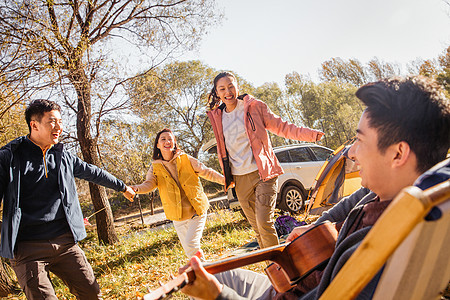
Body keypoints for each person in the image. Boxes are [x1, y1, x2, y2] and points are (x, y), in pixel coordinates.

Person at [180, 75, 450, 300]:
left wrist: (217, 296)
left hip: (286, 293)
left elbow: (280, 126)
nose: (351, 153)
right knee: (219, 269)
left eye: (359, 141)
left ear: (398, 154)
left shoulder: (374, 248)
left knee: (215, 278)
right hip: (295, 275)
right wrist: (312, 229)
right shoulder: (411, 198)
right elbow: (348, 203)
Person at [0, 99, 135, 299]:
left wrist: (122, 187)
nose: (59, 127)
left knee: (92, 294)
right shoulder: (9, 157)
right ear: (34, 125)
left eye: (60, 121)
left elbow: (93, 172)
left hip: (65, 243)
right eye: (52, 121)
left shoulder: (62, 156)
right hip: (28, 249)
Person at [207, 72, 324, 248]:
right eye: (222, 88)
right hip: (239, 180)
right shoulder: (217, 117)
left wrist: (311, 135)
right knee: (257, 229)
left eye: (231, 86)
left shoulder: (254, 107)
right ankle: (273, 268)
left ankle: (281, 267)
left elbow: (283, 127)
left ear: (238, 86)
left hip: (264, 173)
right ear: (217, 92)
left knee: (264, 223)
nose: (228, 91)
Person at [131, 128, 225, 258]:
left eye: (170, 139)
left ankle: (204, 272)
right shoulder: (155, 167)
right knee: (190, 251)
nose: (167, 141)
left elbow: (206, 171)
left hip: (196, 210)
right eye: (163, 139)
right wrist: (136, 188)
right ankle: (205, 271)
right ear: (157, 145)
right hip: (178, 216)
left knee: (191, 244)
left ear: (174, 142)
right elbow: (149, 184)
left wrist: (226, 180)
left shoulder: (186, 158)